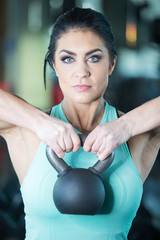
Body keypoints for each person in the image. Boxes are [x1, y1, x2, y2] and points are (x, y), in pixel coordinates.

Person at [0, 7, 159, 240]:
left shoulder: (138, 136)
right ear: (54, 66)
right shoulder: (26, 132)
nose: (81, 71)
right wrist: (39, 121)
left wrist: (125, 125)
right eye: (67, 59)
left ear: (111, 64)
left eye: (94, 58)